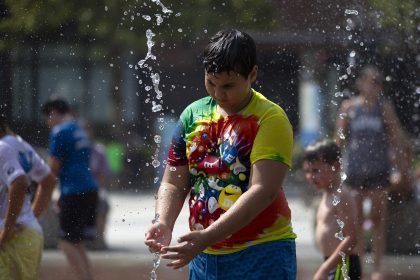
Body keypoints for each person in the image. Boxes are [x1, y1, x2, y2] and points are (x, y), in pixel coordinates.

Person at [145, 29, 296, 279]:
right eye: (210, 82)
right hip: (205, 257)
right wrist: (163, 222)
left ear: (253, 75)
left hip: (262, 253)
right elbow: (173, 181)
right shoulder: (193, 116)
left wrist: (207, 237)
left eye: (228, 86)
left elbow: (263, 191)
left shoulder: (270, 119)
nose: (217, 93)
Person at [335, 65, 402, 280]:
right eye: (369, 81)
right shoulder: (349, 107)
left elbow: (395, 138)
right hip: (354, 172)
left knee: (377, 220)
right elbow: (338, 140)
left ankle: (377, 268)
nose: (372, 86)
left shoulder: (384, 107)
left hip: (379, 171)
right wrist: (333, 170)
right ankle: (360, 266)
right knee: (356, 222)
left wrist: (399, 169)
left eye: (377, 83)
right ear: (360, 83)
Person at [41, 98, 98, 280]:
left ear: (54, 113)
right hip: (89, 189)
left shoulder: (59, 132)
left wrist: (45, 194)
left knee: (66, 242)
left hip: (74, 192)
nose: (47, 123)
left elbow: (53, 167)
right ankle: (87, 277)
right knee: (76, 241)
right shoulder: (79, 129)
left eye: (48, 118)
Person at [0, 115, 57, 279]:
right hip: (28, 235)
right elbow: (49, 181)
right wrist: (30, 217)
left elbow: (19, 182)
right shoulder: (20, 144)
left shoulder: (2, 148)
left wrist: (7, 228)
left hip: (11, 239)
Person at [302, 139, 361, 280]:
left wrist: (325, 268)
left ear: (335, 166)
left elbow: (351, 238)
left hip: (343, 264)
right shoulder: (327, 194)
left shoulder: (341, 195)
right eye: (307, 171)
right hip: (333, 262)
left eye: (316, 170)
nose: (310, 176)